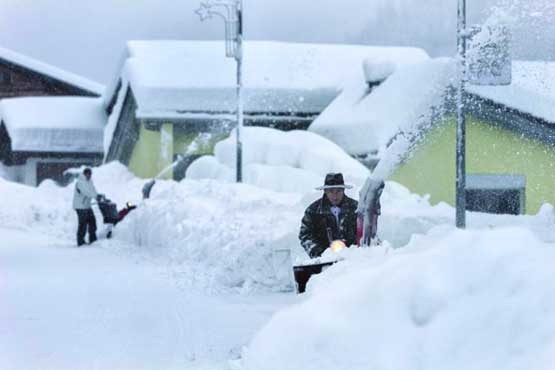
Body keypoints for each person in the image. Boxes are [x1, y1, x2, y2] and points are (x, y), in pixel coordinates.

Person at [299, 173, 359, 258]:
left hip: (354, 258)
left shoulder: (356, 208)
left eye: (338, 191)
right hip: (324, 261)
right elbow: (305, 235)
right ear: (325, 191)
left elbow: (365, 231)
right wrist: (319, 254)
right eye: (331, 191)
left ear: (343, 190)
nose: (335, 195)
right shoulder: (313, 211)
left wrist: (358, 251)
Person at [73, 168, 102, 246]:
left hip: (87, 206)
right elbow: (86, 192)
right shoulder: (80, 182)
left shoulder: (90, 182)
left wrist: (98, 195)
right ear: (84, 174)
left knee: (92, 221)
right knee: (83, 224)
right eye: (88, 174)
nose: (89, 176)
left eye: (90, 174)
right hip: (80, 206)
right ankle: (80, 241)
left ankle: (93, 239)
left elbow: (93, 190)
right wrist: (95, 196)